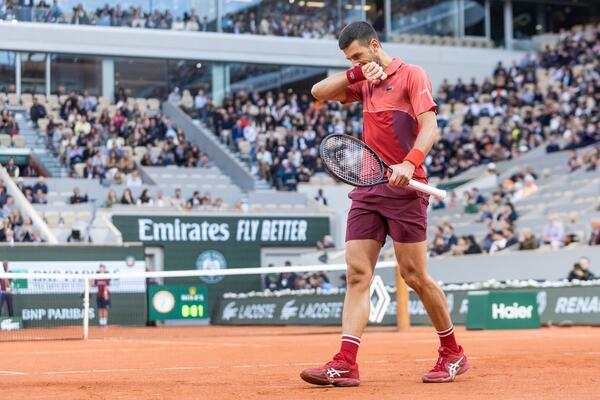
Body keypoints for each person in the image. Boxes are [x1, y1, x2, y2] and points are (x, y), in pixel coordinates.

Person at [301, 22, 468, 387]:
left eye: (359, 54)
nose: (356, 61)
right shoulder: (363, 81)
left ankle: (453, 352)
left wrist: (410, 162)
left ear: (375, 44)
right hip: (368, 187)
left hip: (407, 188)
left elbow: (430, 126)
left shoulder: (411, 75)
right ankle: (346, 362)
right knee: (357, 274)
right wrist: (358, 70)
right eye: (350, 59)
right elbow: (317, 91)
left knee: (415, 277)